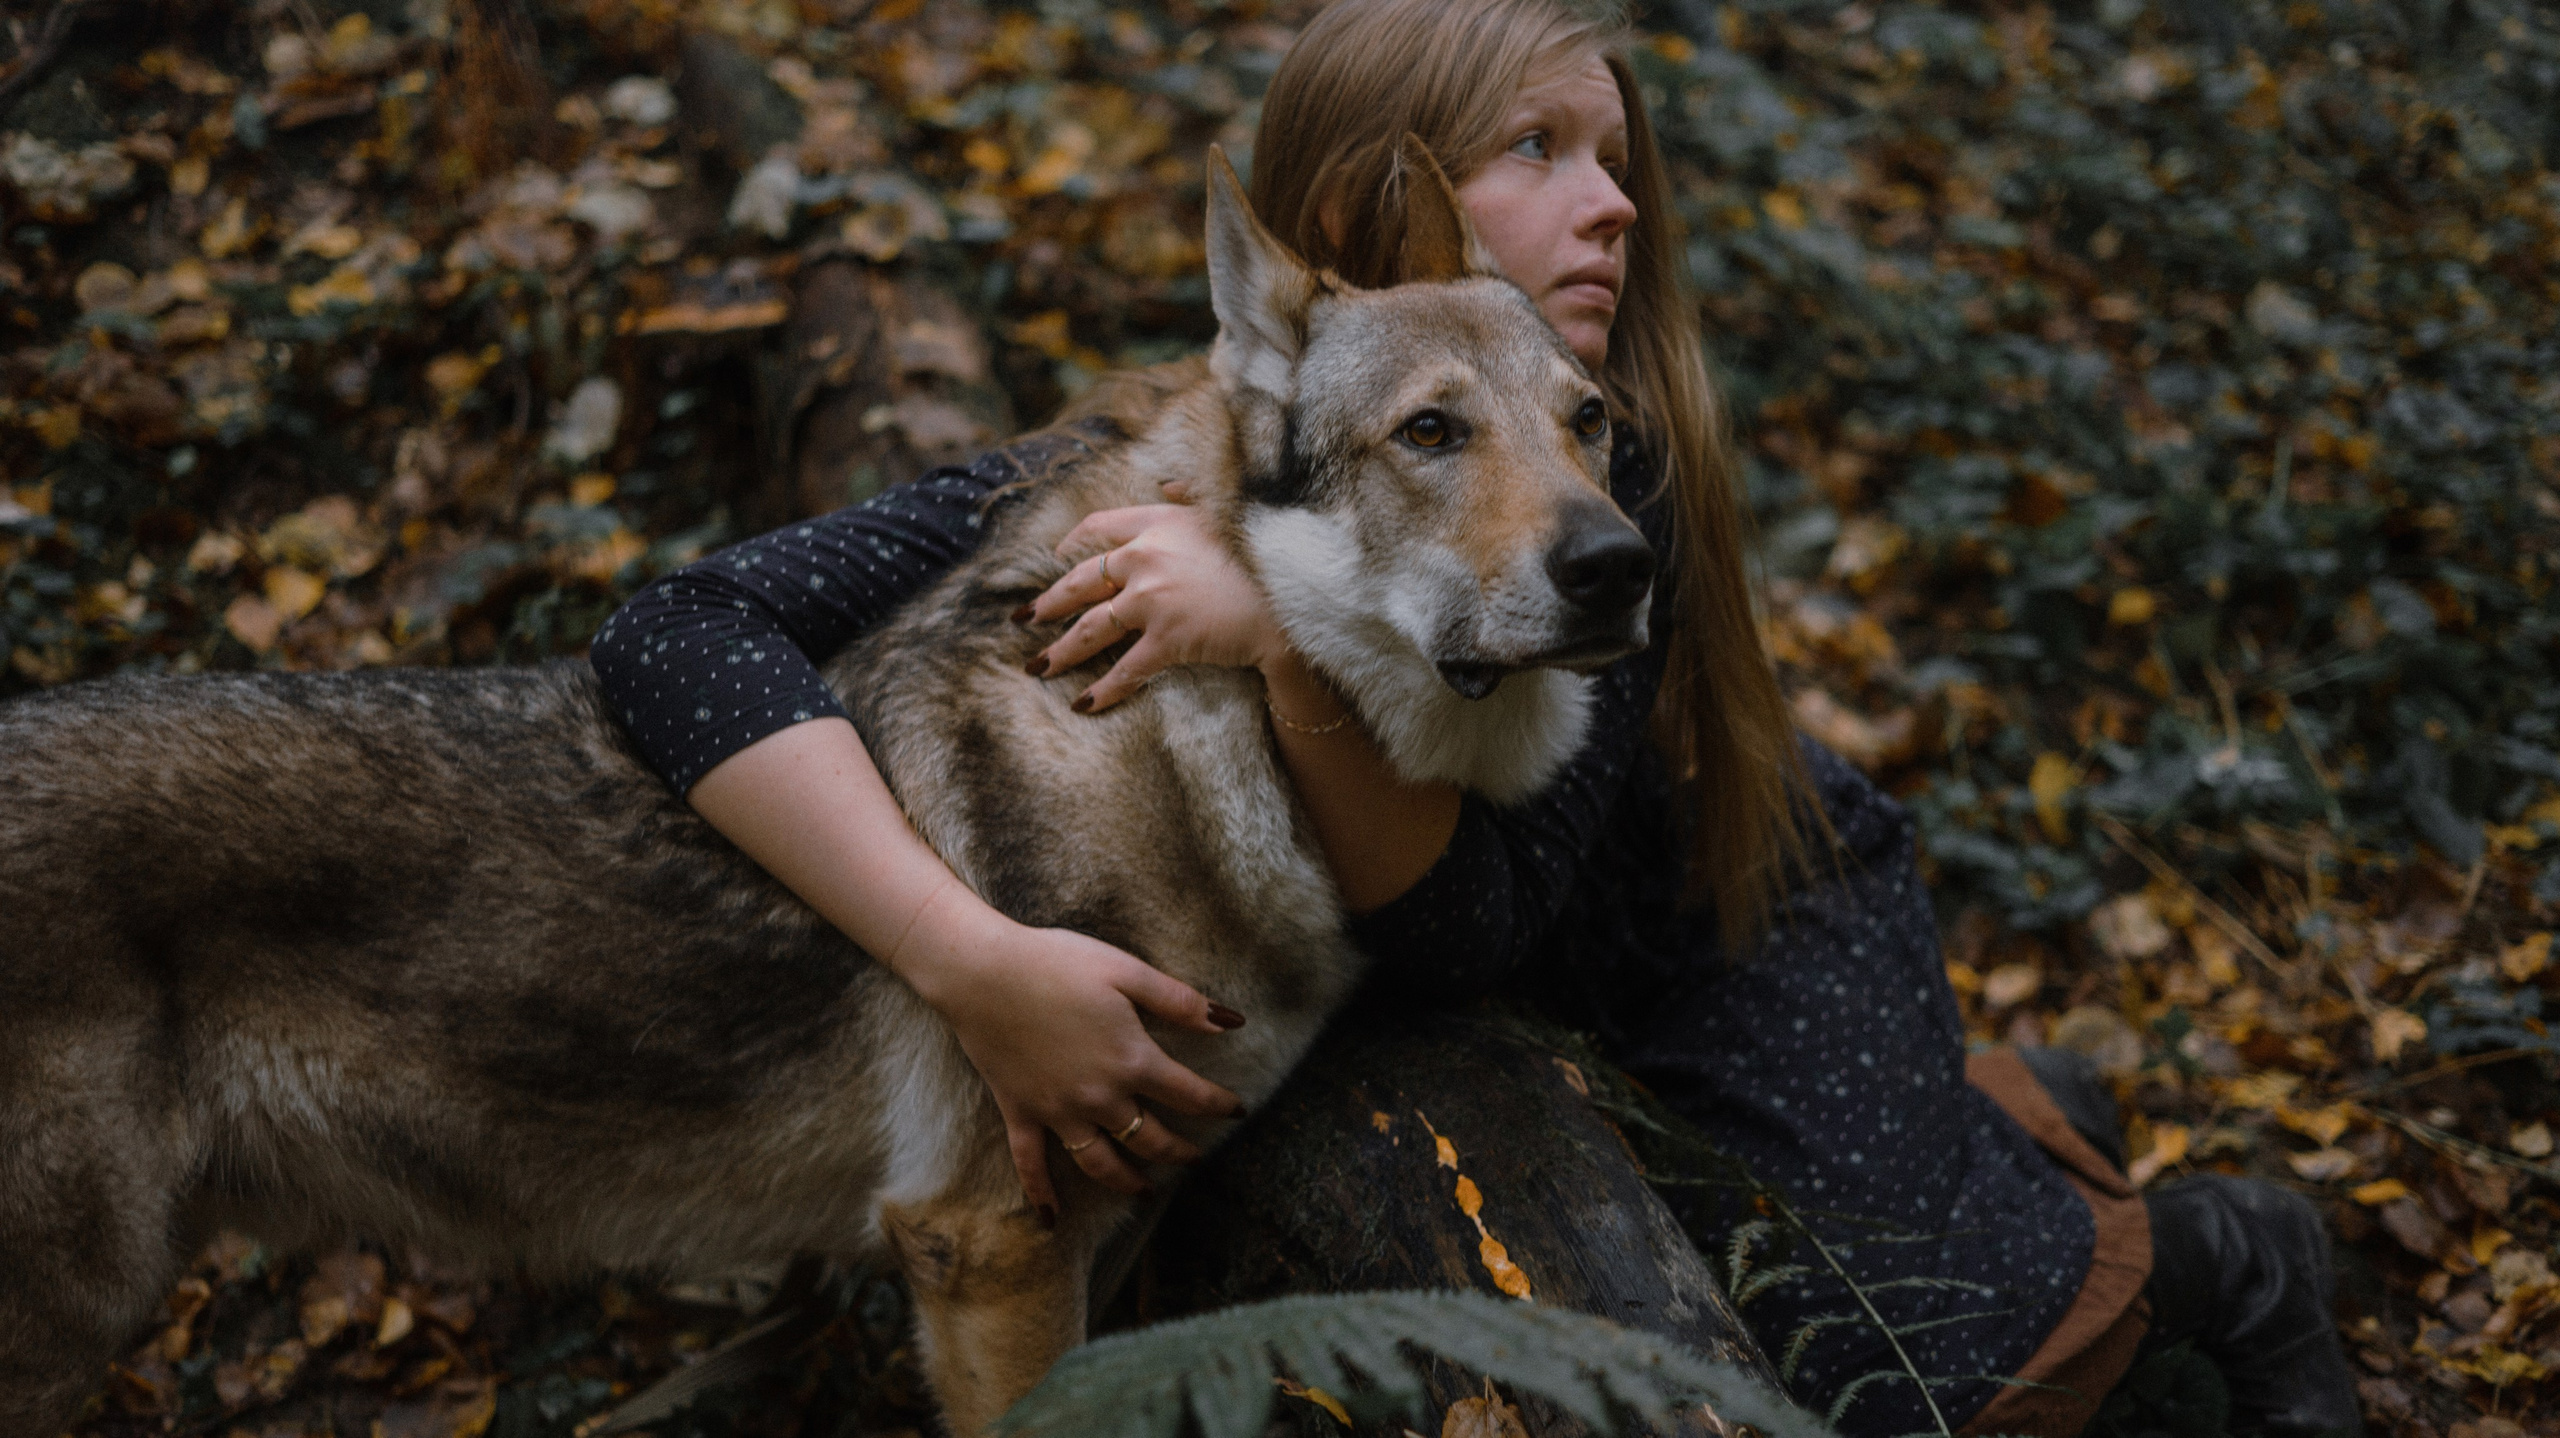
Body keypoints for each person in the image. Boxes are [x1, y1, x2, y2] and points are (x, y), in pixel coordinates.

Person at [589, 0, 2359, 1431]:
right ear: (1372, 201)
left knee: (1905, 1370)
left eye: (1620, 159)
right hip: (1533, 1002)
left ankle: (2228, 1244)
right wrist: (961, 953)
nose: (1618, 203)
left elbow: (1465, 926)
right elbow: (677, 629)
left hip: (1732, 957)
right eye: (1542, 148)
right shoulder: (1172, 452)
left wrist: (1274, 633)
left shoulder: (1595, 494)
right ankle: (2016, 1110)